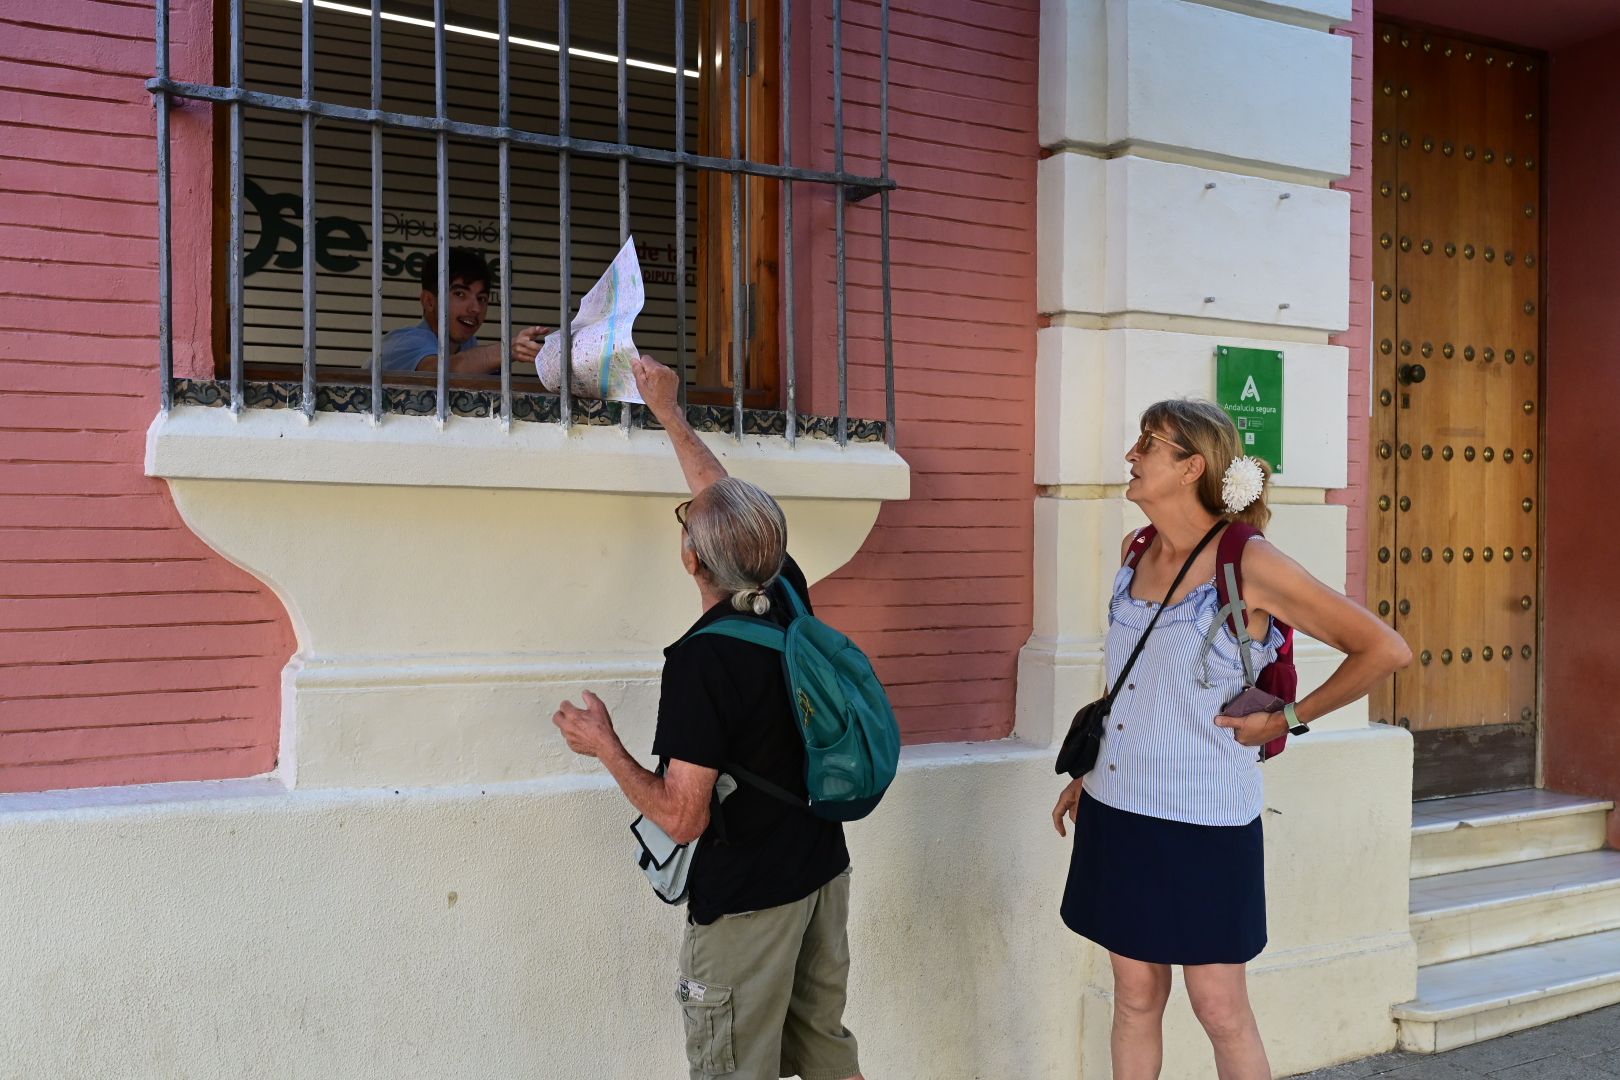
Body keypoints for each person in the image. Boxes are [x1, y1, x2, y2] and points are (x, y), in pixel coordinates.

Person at [1051, 399, 1411, 1080]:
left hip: (1205, 821)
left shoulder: (1249, 562)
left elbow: (1384, 650)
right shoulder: (1136, 550)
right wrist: (1090, 773)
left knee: (1218, 1006)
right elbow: (1137, 685)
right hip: (1118, 808)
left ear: (1191, 466)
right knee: (1132, 997)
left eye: (1146, 444)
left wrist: (1288, 720)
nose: (1130, 455)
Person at [551, 354, 865, 1080]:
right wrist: (669, 413)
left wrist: (604, 746)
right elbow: (722, 498)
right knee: (824, 1046)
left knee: (732, 1067)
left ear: (693, 559)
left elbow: (684, 817)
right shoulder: (783, 589)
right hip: (821, 872)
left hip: (750, 901)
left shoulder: (702, 662)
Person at [374, 246, 546, 374]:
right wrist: (509, 349)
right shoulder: (404, 342)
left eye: (482, 298)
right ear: (428, 301)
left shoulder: (468, 346)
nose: (476, 308)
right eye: (460, 294)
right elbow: (443, 372)